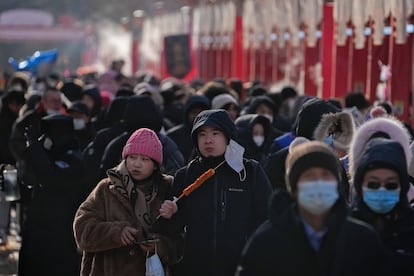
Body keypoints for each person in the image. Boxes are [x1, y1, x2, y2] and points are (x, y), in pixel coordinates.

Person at [236, 141, 385, 275]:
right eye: (309, 176)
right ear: (294, 187)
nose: (319, 183)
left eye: (326, 175)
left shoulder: (362, 239)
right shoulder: (266, 241)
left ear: (337, 184)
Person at [159, 109, 272, 276]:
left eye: (215, 133)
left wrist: (252, 251)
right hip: (195, 267)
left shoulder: (249, 171)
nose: (208, 140)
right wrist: (171, 214)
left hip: (241, 267)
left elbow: (267, 217)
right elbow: (173, 230)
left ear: (227, 137)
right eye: (202, 134)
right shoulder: (186, 175)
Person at [73, 128, 180, 275]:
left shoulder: (167, 190)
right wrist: (116, 232)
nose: (137, 164)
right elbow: (82, 228)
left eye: (144, 159)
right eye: (132, 157)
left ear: (155, 165)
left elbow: (180, 239)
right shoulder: (106, 189)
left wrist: (158, 245)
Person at [18, 114, 86, 276]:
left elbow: (52, 178)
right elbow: (31, 184)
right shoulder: (46, 154)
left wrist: (36, 150)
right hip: (37, 230)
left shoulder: (74, 158)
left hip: (60, 232)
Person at [350, 138, 414, 275]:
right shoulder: (345, 228)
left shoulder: (411, 227)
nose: (382, 190)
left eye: (391, 185)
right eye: (373, 184)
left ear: (402, 187)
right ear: (360, 185)